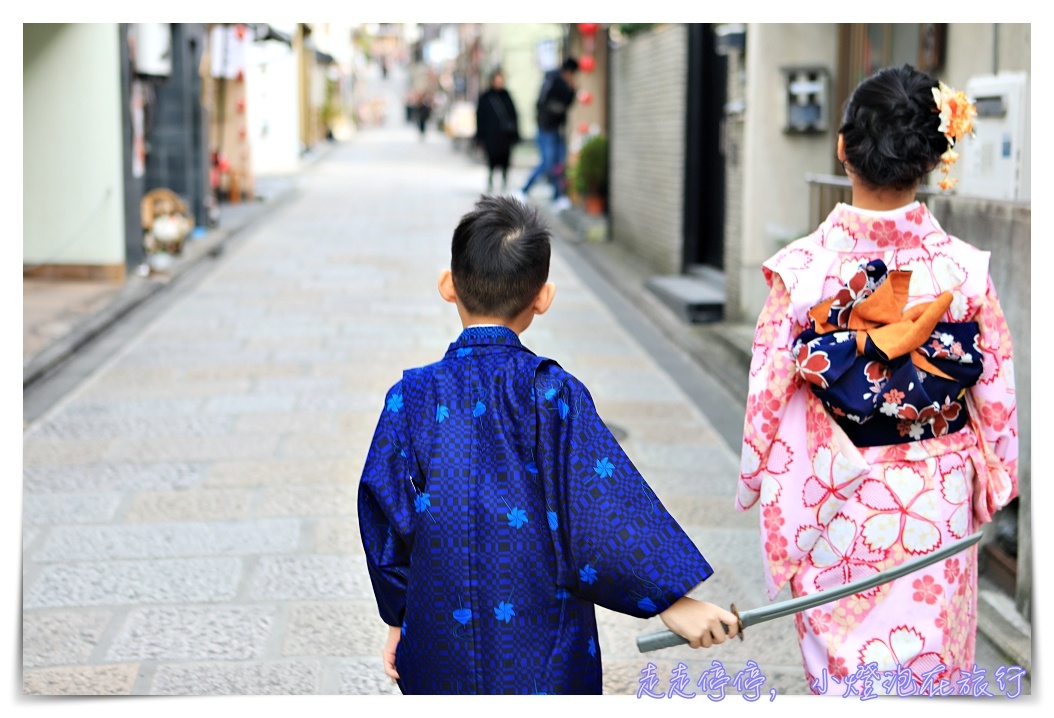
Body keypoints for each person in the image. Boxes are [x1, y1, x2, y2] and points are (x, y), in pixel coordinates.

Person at [359, 194, 739, 695]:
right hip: (542, 639)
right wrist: (672, 602)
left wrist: (399, 616)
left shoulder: (410, 397)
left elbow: (384, 512)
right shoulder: (552, 393)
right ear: (543, 298)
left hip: (438, 632)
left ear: (448, 286)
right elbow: (601, 508)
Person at [735, 64, 1018, 695]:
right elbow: (996, 396)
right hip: (936, 498)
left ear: (843, 149)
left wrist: (756, 479)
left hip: (834, 494)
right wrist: (997, 476)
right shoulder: (963, 270)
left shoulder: (801, 271)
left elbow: (765, 397)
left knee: (846, 677)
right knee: (932, 673)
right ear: (932, 154)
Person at [519, 58, 578, 211]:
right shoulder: (552, 80)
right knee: (547, 163)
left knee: (558, 163)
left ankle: (558, 196)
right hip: (546, 128)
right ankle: (523, 190)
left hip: (557, 129)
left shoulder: (567, 84)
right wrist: (557, 111)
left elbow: (568, 103)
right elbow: (544, 103)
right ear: (568, 72)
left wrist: (572, 89)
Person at [475, 69, 520, 193]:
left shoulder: (507, 96)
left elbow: (514, 116)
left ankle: (504, 184)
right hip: (491, 136)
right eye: (497, 79)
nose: (499, 82)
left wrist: (515, 134)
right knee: (491, 159)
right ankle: (490, 183)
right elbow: (480, 118)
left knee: (505, 160)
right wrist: (480, 137)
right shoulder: (486, 97)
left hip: (505, 136)